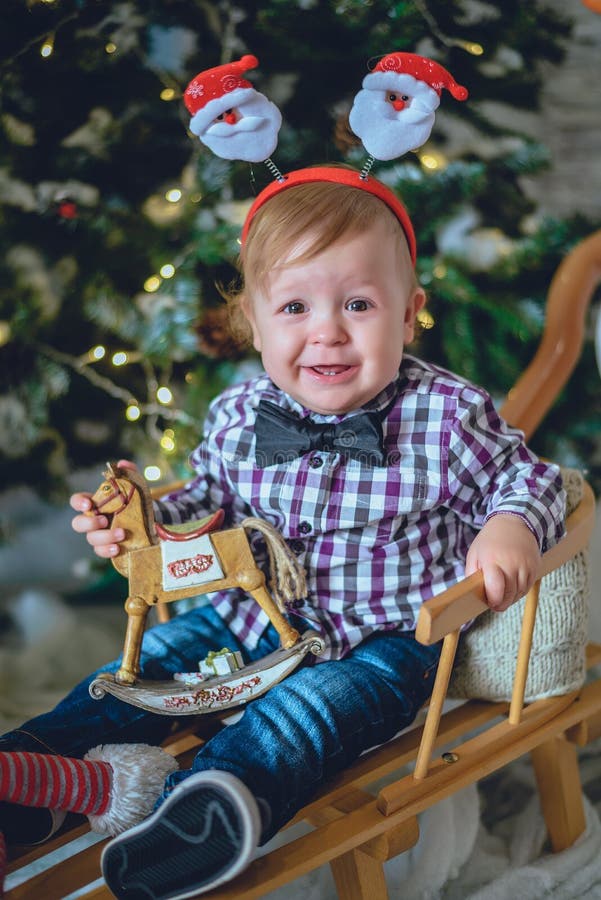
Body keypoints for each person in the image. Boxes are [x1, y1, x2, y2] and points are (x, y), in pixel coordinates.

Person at [0, 163, 566, 899]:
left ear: (407, 313)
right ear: (253, 321)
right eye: (294, 307)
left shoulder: (446, 415)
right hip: (242, 617)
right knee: (142, 669)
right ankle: (32, 775)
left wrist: (508, 526)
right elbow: (203, 501)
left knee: (304, 713)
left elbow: (531, 477)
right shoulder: (239, 414)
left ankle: (209, 813)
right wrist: (141, 525)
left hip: (376, 643)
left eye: (358, 304)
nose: (326, 331)